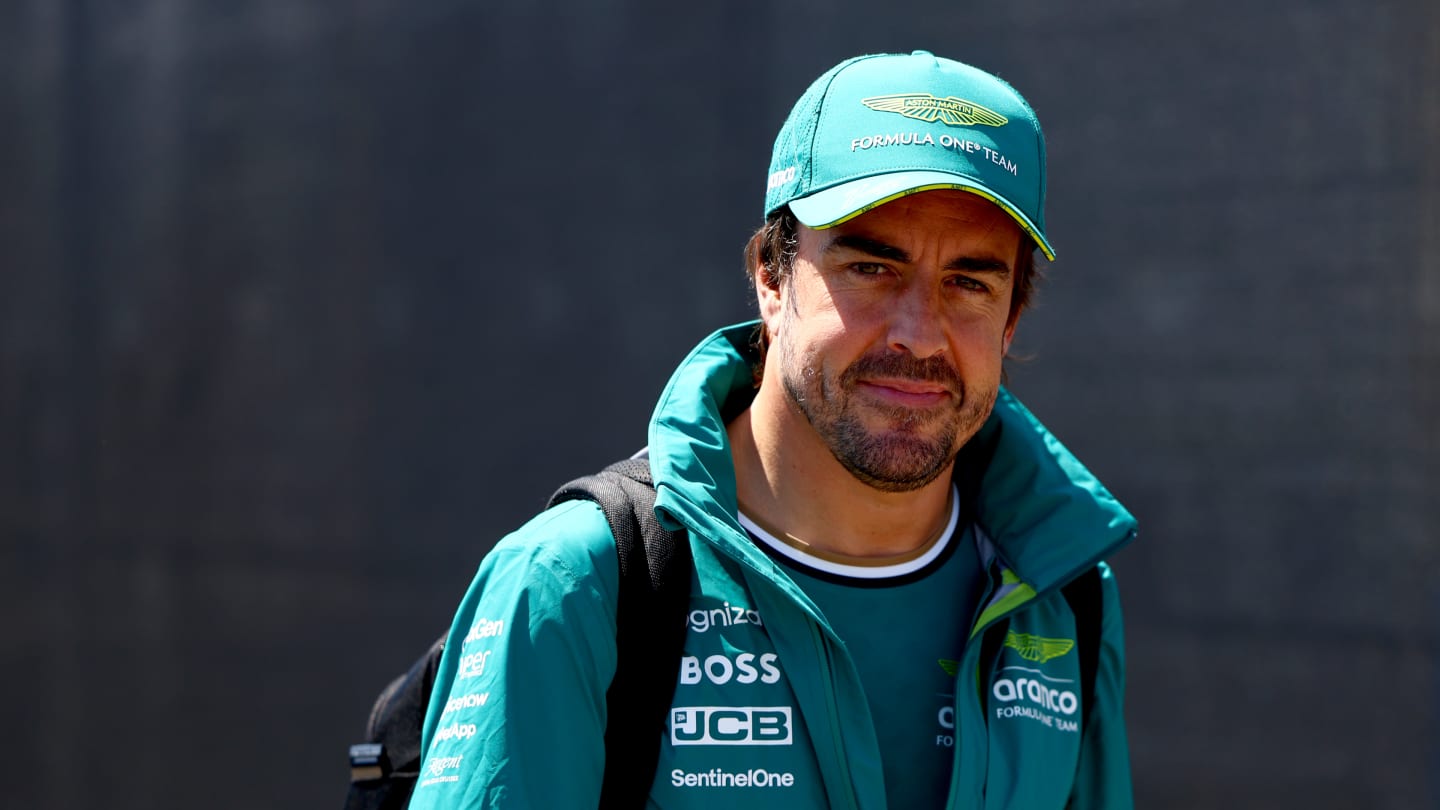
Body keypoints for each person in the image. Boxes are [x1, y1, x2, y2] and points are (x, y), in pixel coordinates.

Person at [409, 50, 1137, 809]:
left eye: (970, 283)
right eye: (871, 269)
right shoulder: (577, 585)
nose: (920, 336)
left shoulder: (1064, 594)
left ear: (1012, 316)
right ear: (771, 278)